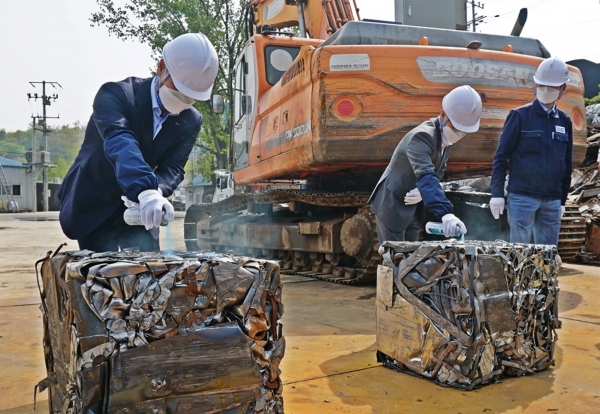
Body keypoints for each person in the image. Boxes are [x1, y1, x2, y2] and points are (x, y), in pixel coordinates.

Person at [58, 32, 219, 252]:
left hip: (139, 209)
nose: (183, 100)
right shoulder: (115, 96)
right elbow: (120, 142)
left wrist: (157, 193)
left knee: (147, 275)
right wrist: (145, 188)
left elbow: (173, 167)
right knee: (101, 278)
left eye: (190, 97)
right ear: (161, 67)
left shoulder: (190, 120)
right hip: (95, 201)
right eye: (178, 90)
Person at [369, 85, 483, 244]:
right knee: (394, 260)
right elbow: (426, 175)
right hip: (392, 203)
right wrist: (446, 213)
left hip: (412, 206)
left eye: (463, 131)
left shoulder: (446, 139)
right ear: (443, 116)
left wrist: (423, 192)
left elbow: (439, 171)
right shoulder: (421, 137)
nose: (459, 134)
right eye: (456, 128)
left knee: (413, 259)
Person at [489, 57, 572, 246]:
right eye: (542, 86)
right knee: (520, 256)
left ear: (562, 89)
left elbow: (566, 163)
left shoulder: (564, 122)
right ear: (535, 84)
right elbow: (501, 157)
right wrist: (497, 194)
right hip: (522, 197)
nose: (545, 91)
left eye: (551, 87)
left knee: (547, 257)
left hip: (551, 200)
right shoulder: (519, 116)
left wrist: (562, 201)